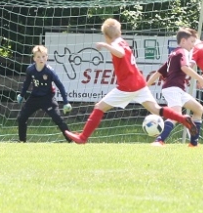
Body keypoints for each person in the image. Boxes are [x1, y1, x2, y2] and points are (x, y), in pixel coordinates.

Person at [65, 19, 195, 144]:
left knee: (99, 107)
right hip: (139, 83)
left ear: (106, 36)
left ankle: (83, 138)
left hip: (128, 86)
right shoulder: (123, 42)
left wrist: (105, 45)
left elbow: (120, 53)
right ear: (119, 31)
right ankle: (183, 119)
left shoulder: (115, 44)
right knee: (156, 109)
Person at [146, 40, 203, 146]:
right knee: (176, 114)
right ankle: (159, 140)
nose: (193, 44)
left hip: (179, 90)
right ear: (184, 41)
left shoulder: (174, 54)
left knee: (198, 109)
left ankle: (193, 143)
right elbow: (185, 68)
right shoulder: (182, 51)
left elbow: (158, 72)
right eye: (191, 41)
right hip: (172, 88)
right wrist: (200, 78)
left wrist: (146, 85)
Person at [16, 45, 73, 142]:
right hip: (34, 98)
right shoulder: (30, 70)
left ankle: (71, 141)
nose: (41, 59)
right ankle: (22, 142)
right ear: (34, 58)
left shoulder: (49, 71)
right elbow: (26, 83)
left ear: (46, 57)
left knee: (58, 119)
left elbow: (60, 86)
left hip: (48, 98)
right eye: (38, 57)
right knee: (21, 118)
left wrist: (66, 102)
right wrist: (21, 95)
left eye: (43, 56)